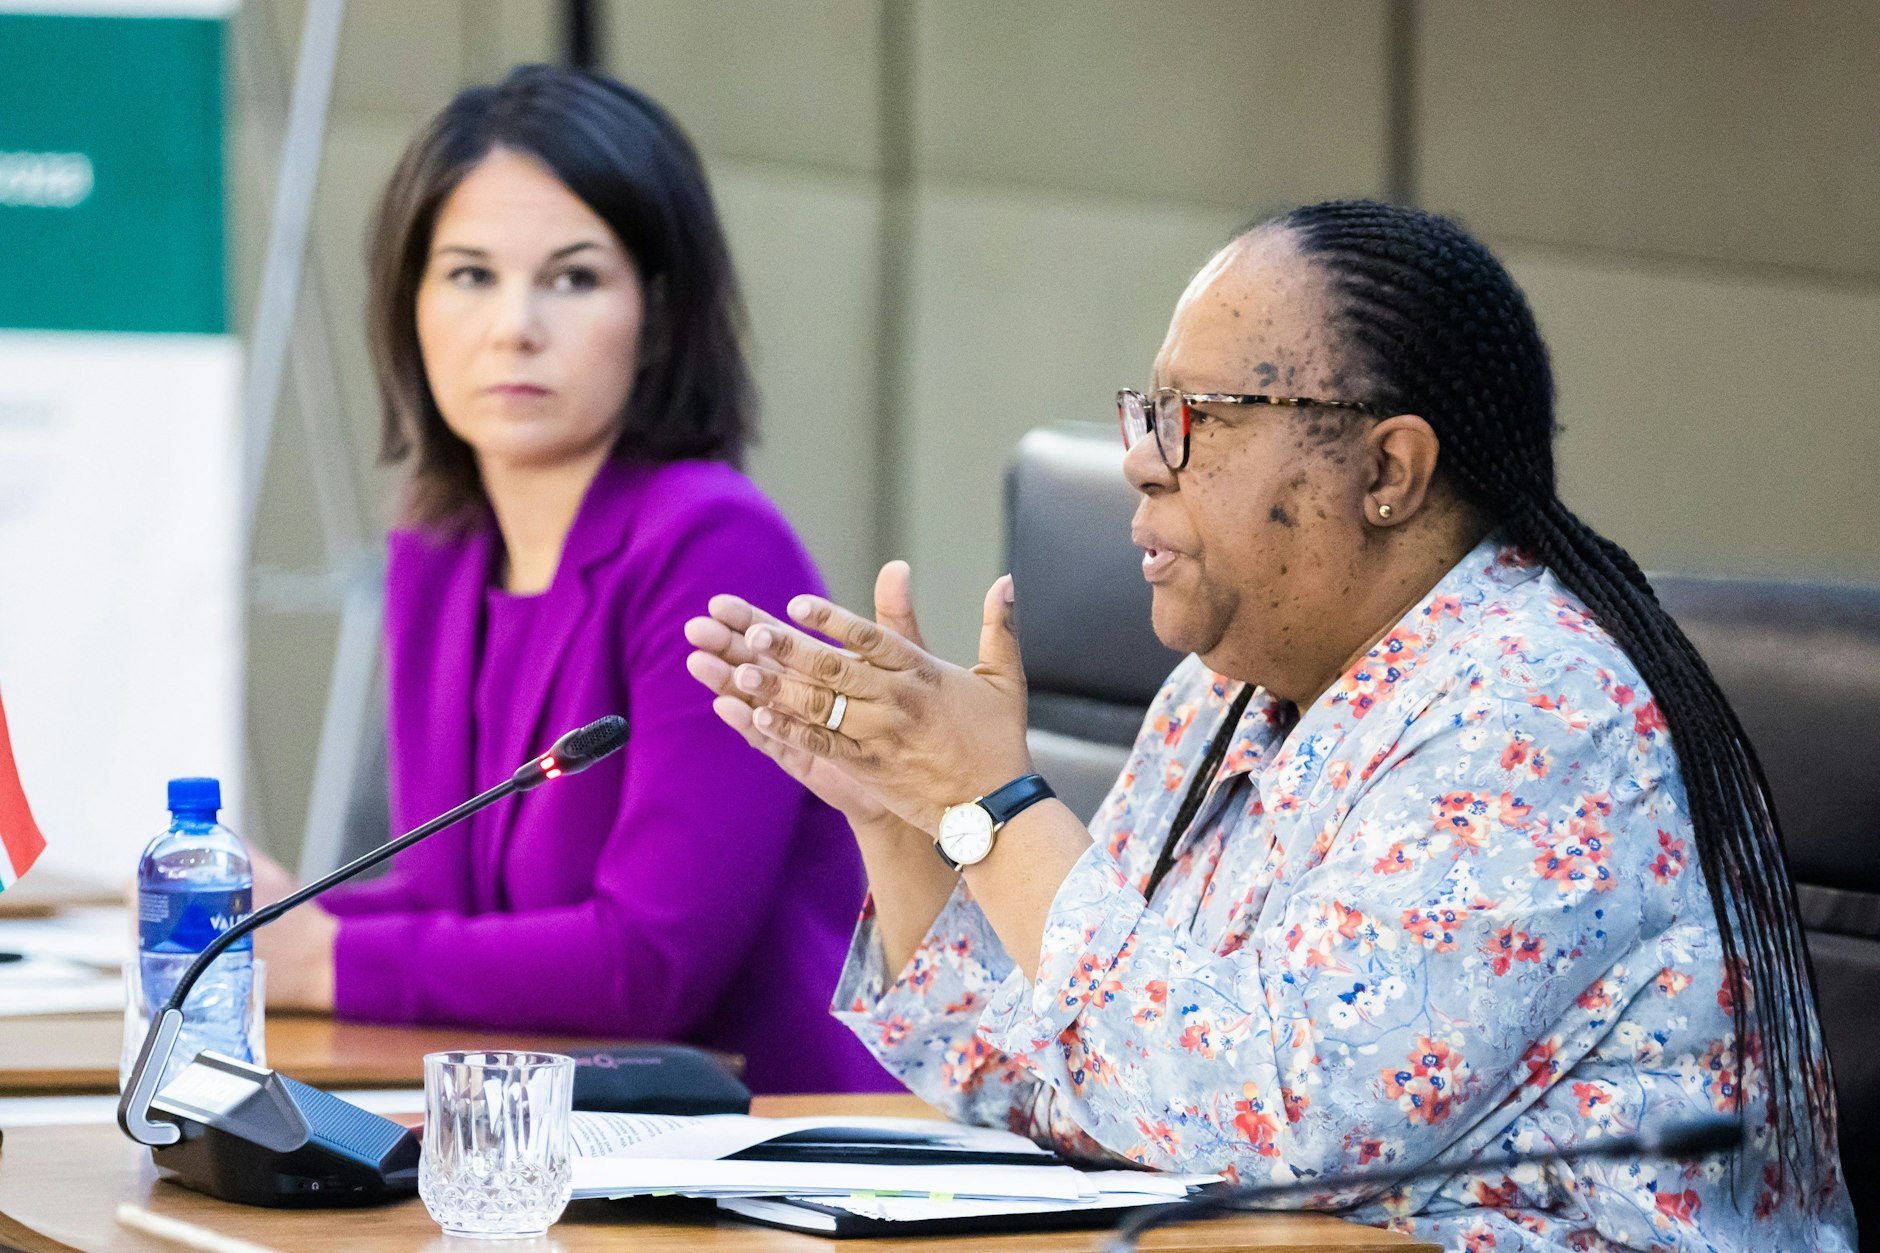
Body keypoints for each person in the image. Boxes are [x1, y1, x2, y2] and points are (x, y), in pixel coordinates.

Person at [685, 202, 1855, 1244]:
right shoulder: (1226, 682)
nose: (1143, 459)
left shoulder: (1535, 715)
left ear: (1387, 470)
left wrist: (994, 804)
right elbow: (1061, 1069)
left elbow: (1282, 1120)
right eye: (1149, 409)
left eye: (1200, 414)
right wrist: (907, 809)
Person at [250, 65, 889, 1095]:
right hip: (547, 1129)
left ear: (658, 311)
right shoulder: (439, 549)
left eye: (574, 277)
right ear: (407, 302)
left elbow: (648, 965)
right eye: (468, 275)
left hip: (762, 1147)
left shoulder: (714, 546)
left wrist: (323, 957)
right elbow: (462, 900)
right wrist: (276, 924)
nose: (514, 327)